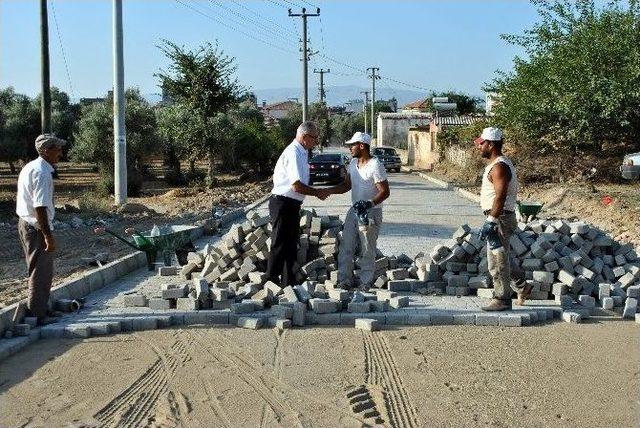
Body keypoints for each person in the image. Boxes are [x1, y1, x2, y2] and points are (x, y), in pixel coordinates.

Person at [265, 121, 329, 286]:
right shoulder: (293, 152)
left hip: (292, 204)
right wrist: (317, 193)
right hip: (282, 203)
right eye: (314, 138)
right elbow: (296, 185)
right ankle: (270, 281)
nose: (316, 141)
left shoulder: (302, 152)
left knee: (291, 244)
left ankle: (289, 283)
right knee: (279, 243)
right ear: (304, 136)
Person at [325, 132, 390, 290]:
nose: (350, 149)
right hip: (354, 210)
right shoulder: (353, 163)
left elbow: (385, 191)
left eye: (352, 145)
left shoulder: (375, 165)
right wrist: (328, 191)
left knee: (367, 249)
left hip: (370, 213)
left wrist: (369, 204)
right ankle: (344, 280)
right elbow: (346, 185)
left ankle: (365, 282)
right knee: (346, 246)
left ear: (362, 146)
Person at [475, 127, 530, 311]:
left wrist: (491, 221)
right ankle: (523, 286)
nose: (479, 147)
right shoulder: (499, 164)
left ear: (491, 144)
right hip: (499, 216)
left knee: (496, 261)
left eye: (482, 143)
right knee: (503, 255)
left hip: (499, 218)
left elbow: (500, 196)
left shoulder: (499, 167)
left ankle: (502, 299)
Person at [15, 134, 66, 324]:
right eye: (57, 149)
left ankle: (41, 308)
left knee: (40, 268)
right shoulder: (42, 172)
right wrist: (48, 236)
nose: (60, 153)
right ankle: (38, 314)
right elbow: (40, 207)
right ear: (46, 150)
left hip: (27, 223)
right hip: (35, 226)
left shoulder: (32, 167)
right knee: (41, 269)